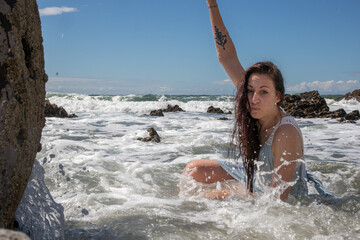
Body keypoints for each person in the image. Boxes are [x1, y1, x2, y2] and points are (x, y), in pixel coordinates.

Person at [183, 0, 334, 201]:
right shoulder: (250, 101)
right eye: (250, 90)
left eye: (264, 92)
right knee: (193, 171)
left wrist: (229, 194)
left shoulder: (285, 132)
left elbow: (277, 201)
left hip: (286, 197)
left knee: (212, 197)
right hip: (258, 177)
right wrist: (212, 4)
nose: (254, 98)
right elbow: (226, 57)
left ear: (277, 97)